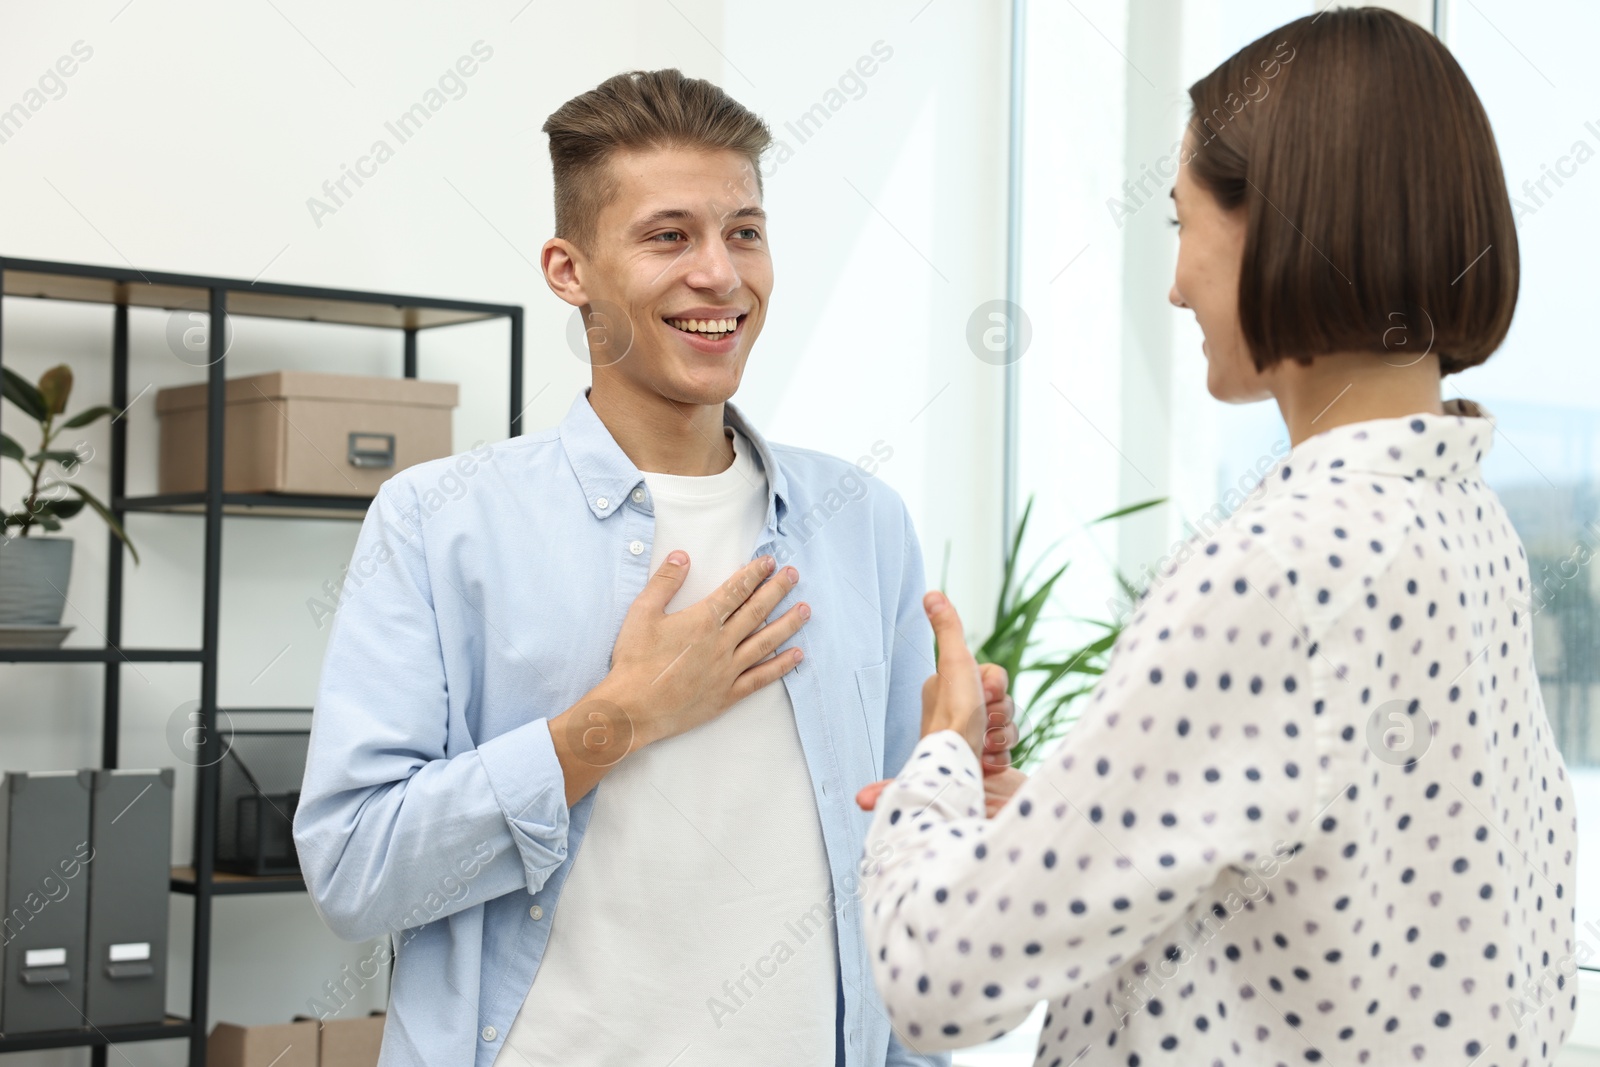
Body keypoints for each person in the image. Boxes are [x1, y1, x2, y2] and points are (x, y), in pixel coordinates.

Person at [856, 9, 1579, 1066]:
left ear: (1279, 222)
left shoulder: (1279, 566)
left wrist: (938, 764)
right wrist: (1052, 832)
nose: (1175, 281)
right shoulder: (1462, 520)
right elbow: (1307, 884)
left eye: (1179, 223)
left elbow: (941, 979)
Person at [293, 69, 1012, 1067]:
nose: (719, 274)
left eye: (744, 232)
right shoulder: (438, 521)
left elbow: (898, 884)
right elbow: (355, 870)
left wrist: (974, 806)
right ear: (568, 268)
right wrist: (617, 719)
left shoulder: (864, 524)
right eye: (669, 235)